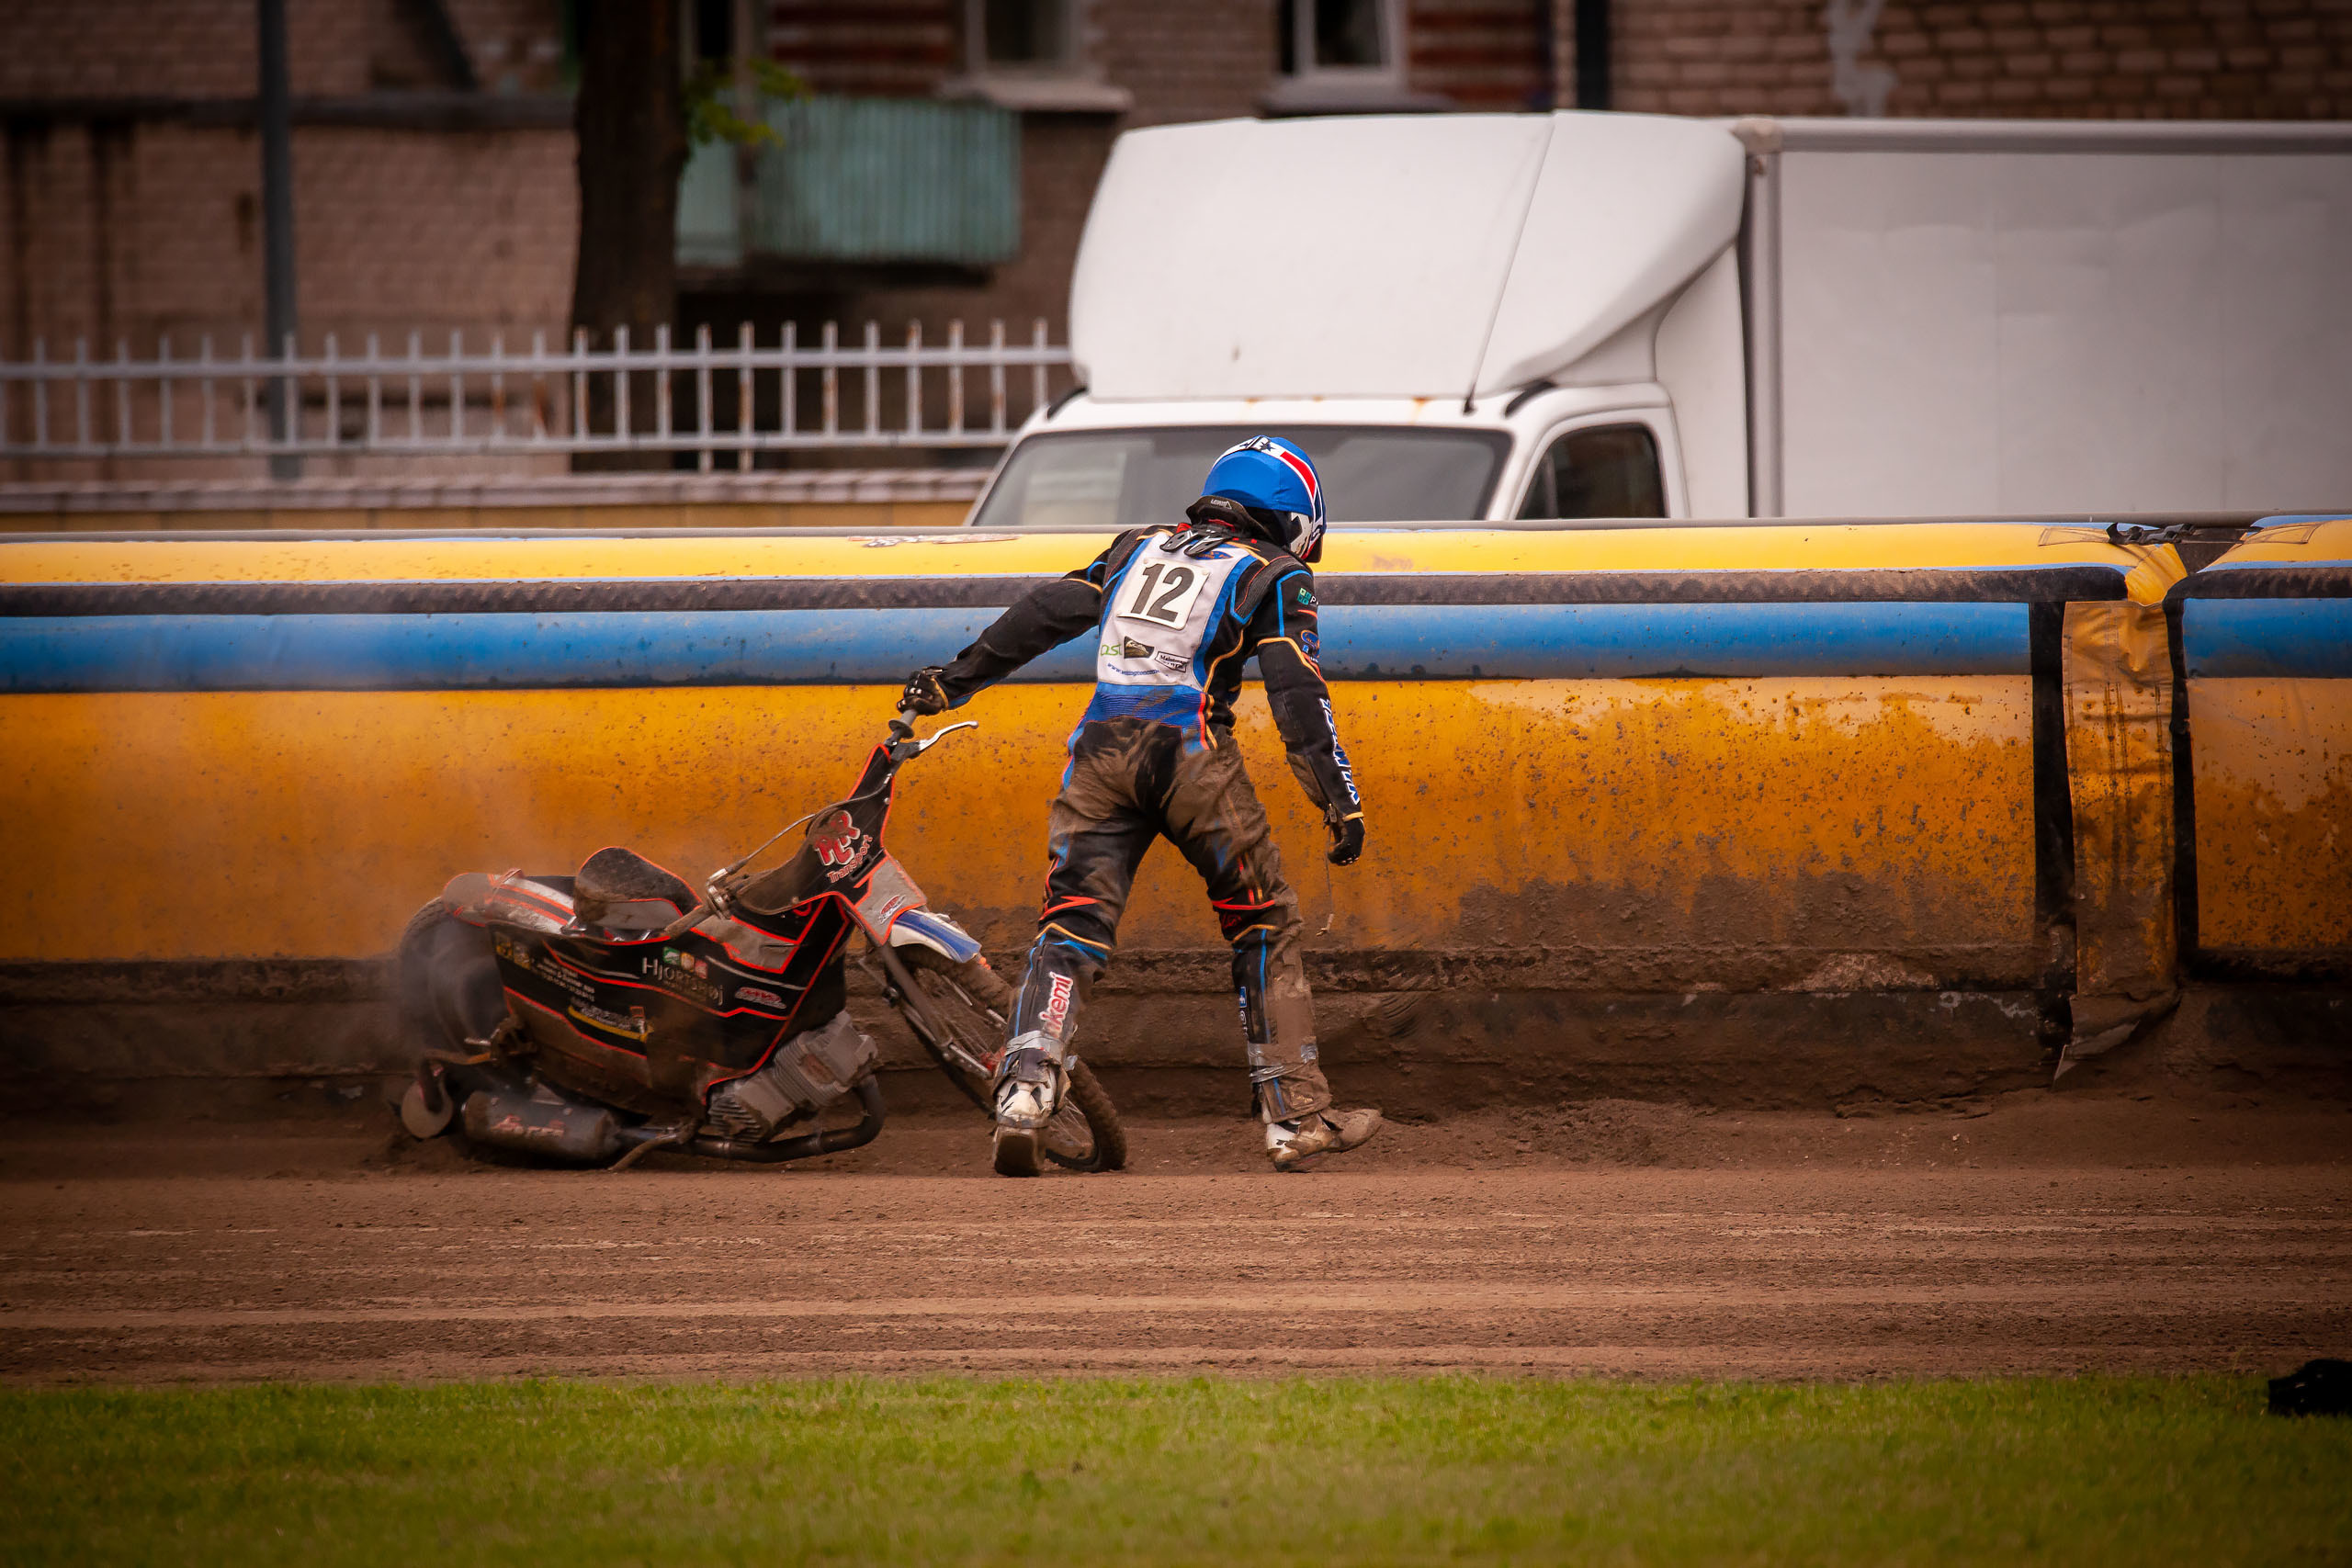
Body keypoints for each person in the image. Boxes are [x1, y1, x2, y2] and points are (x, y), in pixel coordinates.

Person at [901, 435, 1382, 1176]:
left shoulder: (1137, 546)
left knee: (1070, 924)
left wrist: (950, 681)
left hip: (1098, 751)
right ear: (1294, 514)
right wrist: (1337, 799)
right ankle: (1295, 1115)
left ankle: (1026, 1090)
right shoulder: (1276, 575)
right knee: (1263, 919)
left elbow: (1045, 612)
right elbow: (1296, 693)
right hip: (1190, 752)